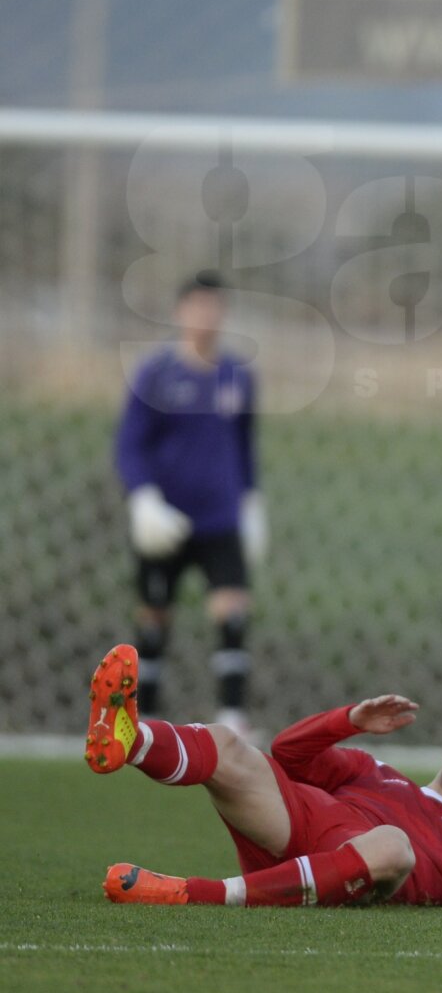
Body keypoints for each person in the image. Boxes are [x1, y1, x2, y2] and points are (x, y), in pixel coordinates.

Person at [85, 644, 442, 913]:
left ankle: (195, 893)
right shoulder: (375, 773)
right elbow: (288, 756)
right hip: (293, 834)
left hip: (362, 871)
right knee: (230, 743)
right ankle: (129, 741)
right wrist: (347, 721)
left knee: (392, 845)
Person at [114, 272, 268, 736]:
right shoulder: (155, 374)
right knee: (155, 615)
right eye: (199, 307)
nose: (207, 317)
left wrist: (252, 501)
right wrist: (142, 498)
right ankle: (148, 720)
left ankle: (232, 718)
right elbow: (130, 444)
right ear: (182, 312)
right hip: (167, 518)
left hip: (219, 517)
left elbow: (244, 445)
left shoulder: (238, 376)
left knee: (232, 610)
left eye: (215, 308)